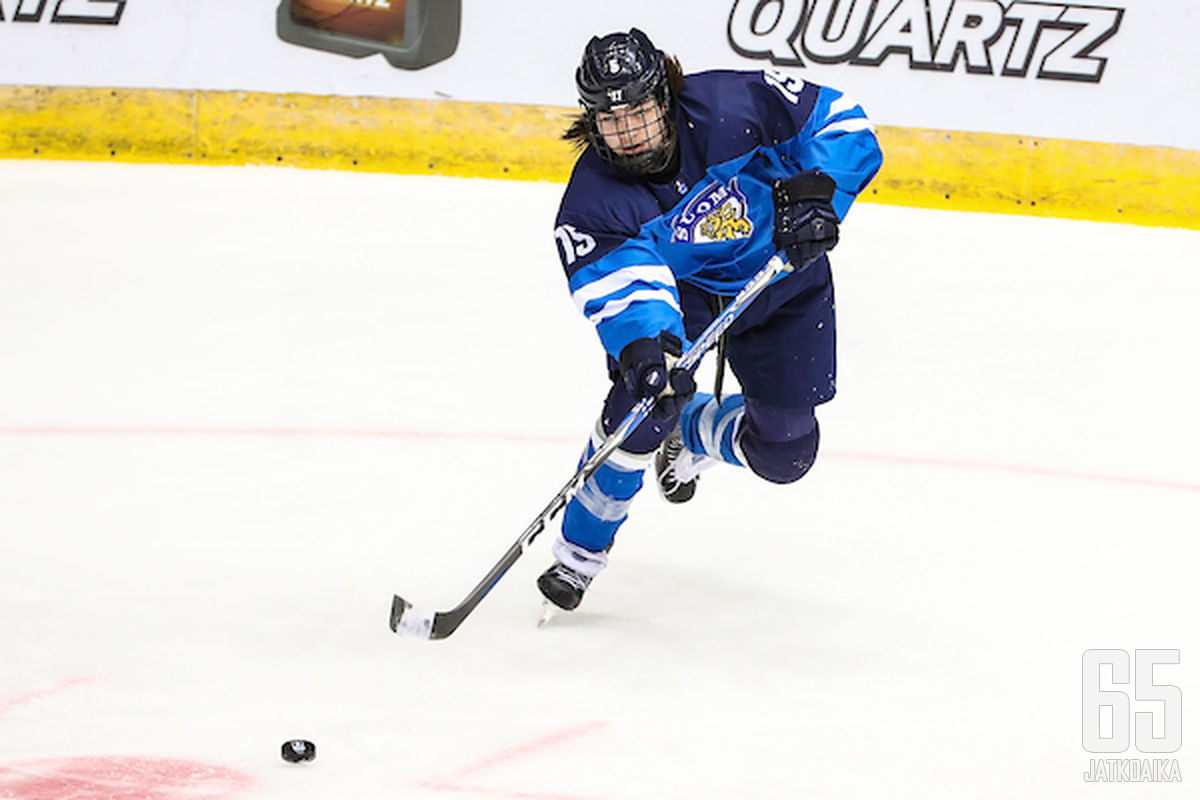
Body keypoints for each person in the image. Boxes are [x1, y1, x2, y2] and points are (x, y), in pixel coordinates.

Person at [538, 28, 883, 611]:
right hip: (689, 295)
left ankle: (695, 433)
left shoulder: (732, 105)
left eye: (639, 113)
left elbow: (840, 120)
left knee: (787, 456)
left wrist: (818, 190)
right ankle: (578, 555)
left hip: (783, 277)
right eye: (609, 119)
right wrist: (647, 348)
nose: (626, 134)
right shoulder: (594, 204)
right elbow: (624, 286)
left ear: (665, 99)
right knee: (641, 407)